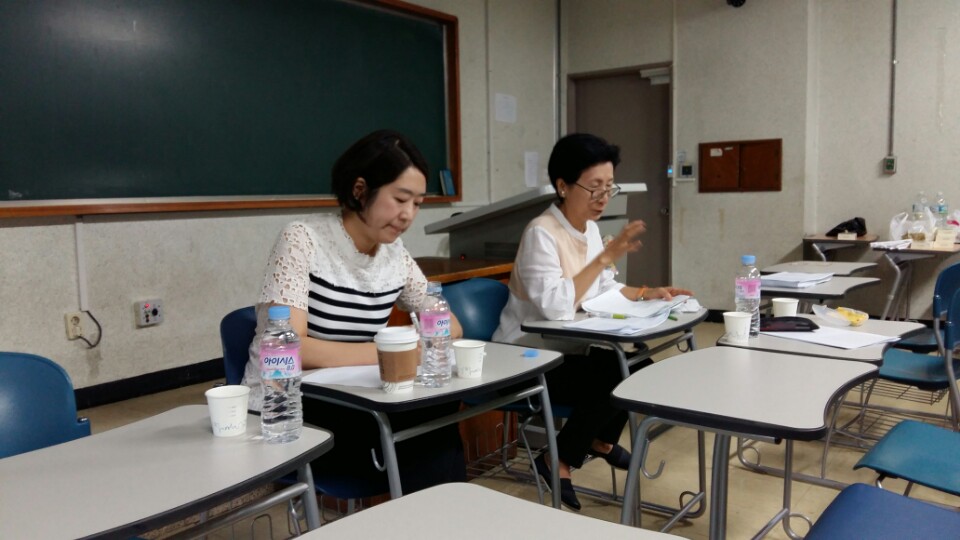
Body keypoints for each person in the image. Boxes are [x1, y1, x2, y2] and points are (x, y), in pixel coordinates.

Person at [242, 129, 465, 494]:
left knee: (436, 411)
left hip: (355, 398)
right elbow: (291, 348)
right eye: (400, 199)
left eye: (418, 204)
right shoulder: (303, 239)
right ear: (360, 190)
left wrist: (421, 339)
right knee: (424, 428)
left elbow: (447, 322)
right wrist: (392, 353)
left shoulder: (394, 255)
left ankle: (437, 515)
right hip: (289, 409)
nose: (408, 215)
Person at [492, 132, 692, 510]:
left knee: (639, 365)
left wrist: (647, 293)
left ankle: (596, 441)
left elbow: (603, 288)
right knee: (615, 374)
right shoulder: (541, 233)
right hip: (525, 356)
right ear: (563, 186)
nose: (603, 197)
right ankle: (559, 459)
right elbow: (556, 307)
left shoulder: (590, 229)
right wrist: (605, 258)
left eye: (609, 187)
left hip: (567, 349)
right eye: (594, 187)